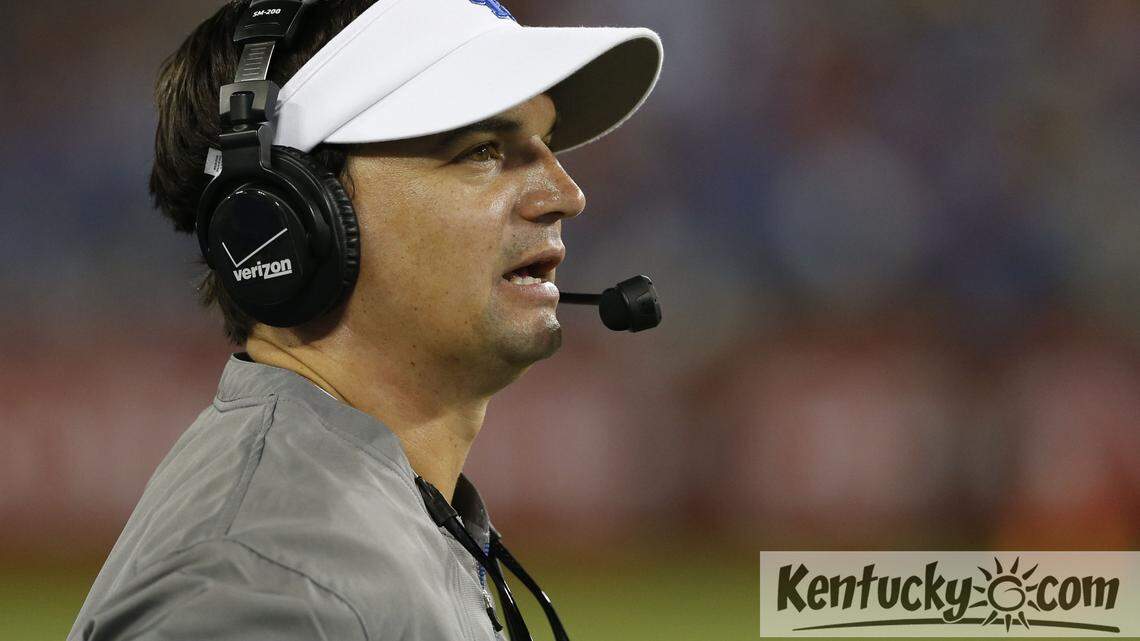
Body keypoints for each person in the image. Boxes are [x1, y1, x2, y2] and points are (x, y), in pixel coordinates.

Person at [67, 0, 662, 639]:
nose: (565, 196)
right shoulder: (270, 582)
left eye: (543, 144)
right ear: (287, 221)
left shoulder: (358, 523)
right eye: (481, 149)